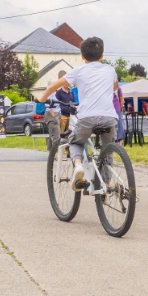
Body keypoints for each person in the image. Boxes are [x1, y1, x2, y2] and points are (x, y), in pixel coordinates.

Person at [37, 36, 118, 189]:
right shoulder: (110, 70)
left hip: (87, 117)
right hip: (109, 117)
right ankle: (106, 184)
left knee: (74, 141)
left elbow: (53, 87)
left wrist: (42, 98)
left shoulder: (78, 71)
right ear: (102, 55)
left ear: (81, 56)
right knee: (108, 150)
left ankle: (78, 165)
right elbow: (114, 87)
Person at [53, 69, 75, 135]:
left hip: (70, 115)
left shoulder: (71, 92)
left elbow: (73, 102)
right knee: (62, 133)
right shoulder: (59, 93)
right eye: (65, 82)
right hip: (63, 115)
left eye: (68, 82)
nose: (66, 84)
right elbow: (56, 104)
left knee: (70, 133)